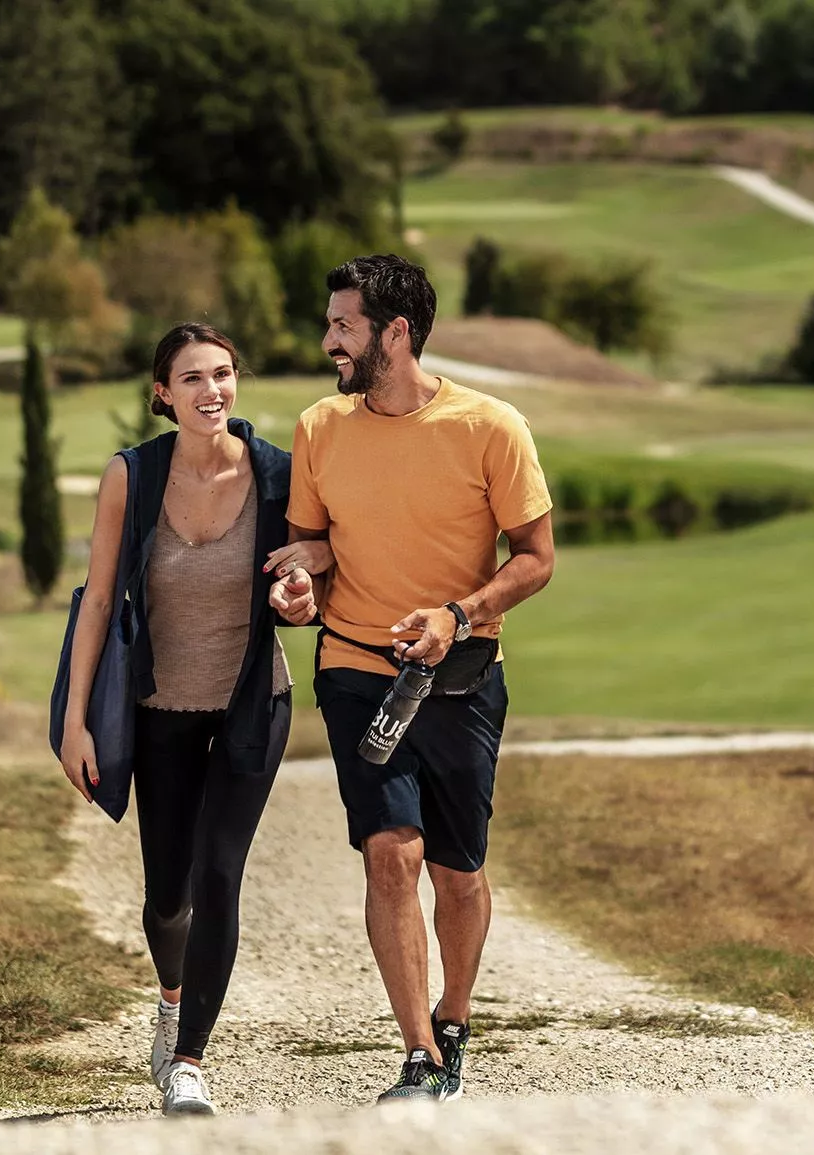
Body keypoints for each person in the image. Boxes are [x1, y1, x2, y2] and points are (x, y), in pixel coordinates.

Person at [266, 255, 555, 1103]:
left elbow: (536, 559)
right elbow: (308, 560)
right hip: (357, 669)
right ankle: (421, 1053)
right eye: (331, 324)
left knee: (457, 872)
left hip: (461, 674)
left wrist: (457, 615)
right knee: (391, 854)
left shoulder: (491, 426)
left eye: (344, 326)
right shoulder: (322, 427)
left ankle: (456, 1017)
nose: (329, 342)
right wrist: (295, 591)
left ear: (396, 331)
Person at [58, 323, 330, 1117]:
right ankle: (171, 997)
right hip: (160, 712)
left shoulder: (279, 474)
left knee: (218, 873)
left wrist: (301, 598)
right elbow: (100, 604)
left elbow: (308, 589)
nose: (213, 391)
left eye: (223, 374)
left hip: (252, 703)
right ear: (163, 393)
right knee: (167, 896)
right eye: (193, 379)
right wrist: (75, 722)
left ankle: (189, 1061)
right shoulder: (131, 476)